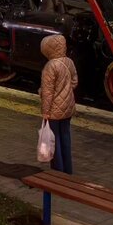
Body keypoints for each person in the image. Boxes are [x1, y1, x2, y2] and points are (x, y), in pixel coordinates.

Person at [39, 34, 78, 174]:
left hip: (54, 110)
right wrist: (65, 92)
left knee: (54, 143)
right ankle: (68, 171)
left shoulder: (50, 66)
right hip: (68, 109)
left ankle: (58, 173)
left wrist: (45, 112)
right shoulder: (69, 62)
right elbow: (74, 82)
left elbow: (47, 92)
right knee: (66, 139)